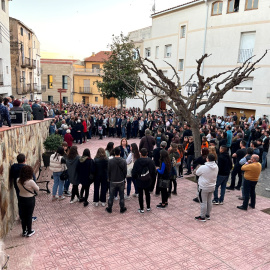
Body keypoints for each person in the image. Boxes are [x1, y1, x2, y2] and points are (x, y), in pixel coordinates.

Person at [195, 154, 219, 222]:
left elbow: (197, 173)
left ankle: (202, 217)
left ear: (207, 159)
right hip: (212, 186)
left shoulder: (203, 167)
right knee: (209, 201)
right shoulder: (216, 166)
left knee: (203, 202)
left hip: (203, 187)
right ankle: (207, 215)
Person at [17, 165, 39, 237]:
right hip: (29, 199)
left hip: (21, 198)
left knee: (23, 216)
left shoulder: (18, 180)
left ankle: (24, 231)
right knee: (29, 215)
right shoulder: (31, 181)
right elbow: (37, 189)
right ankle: (29, 231)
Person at [132, 148, 156, 213]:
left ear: (140, 153)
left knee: (140, 195)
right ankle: (148, 207)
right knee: (147, 194)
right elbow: (154, 172)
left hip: (139, 180)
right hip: (148, 180)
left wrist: (136, 178)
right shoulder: (151, 161)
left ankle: (141, 208)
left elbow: (134, 172)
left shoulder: (137, 162)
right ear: (147, 153)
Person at [106, 147, 127, 214]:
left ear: (114, 152)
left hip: (113, 180)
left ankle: (109, 208)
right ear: (120, 152)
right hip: (121, 180)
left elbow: (108, 171)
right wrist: (123, 178)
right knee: (121, 195)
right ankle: (122, 208)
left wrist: (109, 178)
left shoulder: (110, 161)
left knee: (111, 195)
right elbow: (125, 171)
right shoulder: (123, 161)